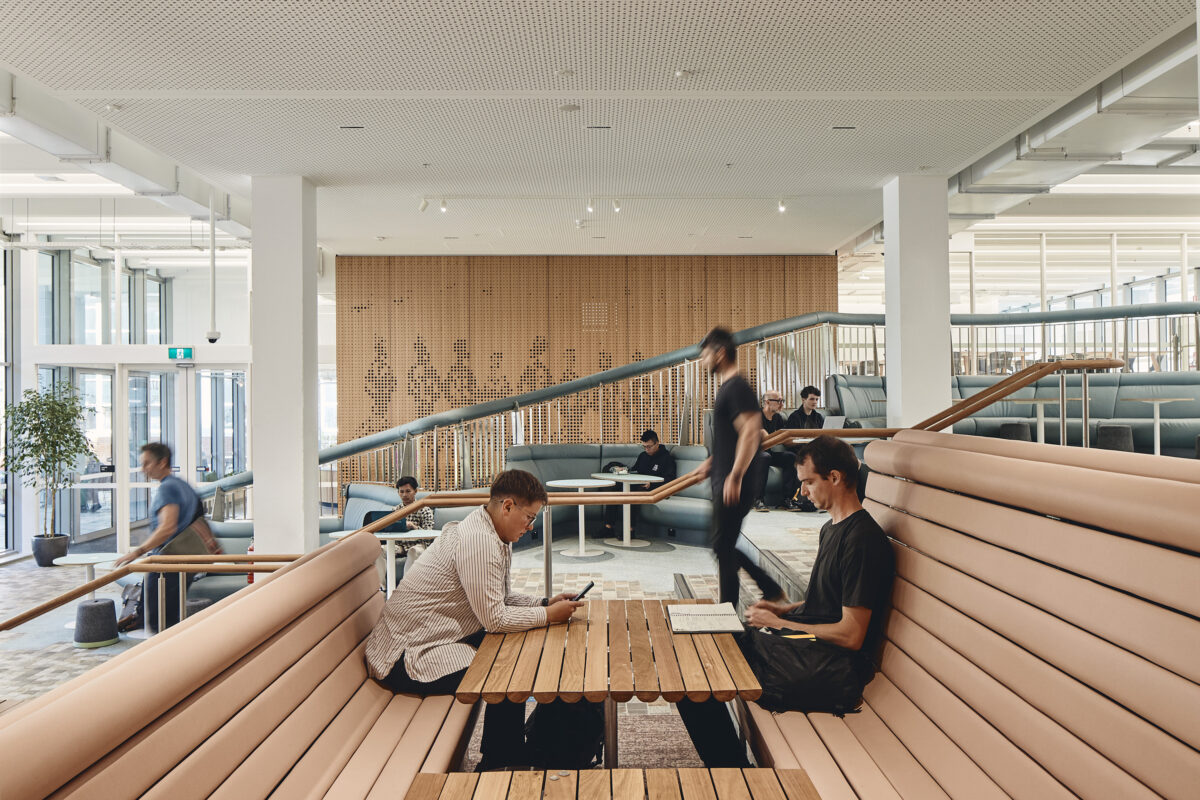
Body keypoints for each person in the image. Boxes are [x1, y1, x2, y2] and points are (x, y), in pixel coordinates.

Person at [676, 436, 895, 767]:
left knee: (699, 678)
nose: (803, 492)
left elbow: (851, 635)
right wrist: (784, 610)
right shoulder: (831, 528)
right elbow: (827, 606)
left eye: (808, 482)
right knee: (707, 654)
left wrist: (780, 625)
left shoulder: (862, 541)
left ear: (834, 477)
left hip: (832, 668)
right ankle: (735, 770)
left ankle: (737, 776)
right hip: (808, 645)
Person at [363, 469, 585, 770]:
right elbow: (495, 619)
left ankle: (508, 753)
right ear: (507, 507)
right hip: (407, 656)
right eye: (530, 517)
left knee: (514, 652)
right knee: (505, 670)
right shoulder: (479, 541)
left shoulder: (492, 534)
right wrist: (547, 615)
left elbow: (500, 599)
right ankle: (500, 762)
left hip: (437, 636)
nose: (531, 527)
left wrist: (545, 602)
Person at [693, 327, 784, 607]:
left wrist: (735, 474)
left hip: (733, 483)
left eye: (706, 355)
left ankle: (765, 591)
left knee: (722, 545)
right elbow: (733, 437)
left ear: (720, 354)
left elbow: (751, 431)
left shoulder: (737, 387)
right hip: (725, 477)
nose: (703, 361)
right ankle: (734, 606)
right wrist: (713, 462)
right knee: (723, 546)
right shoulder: (729, 388)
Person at [115, 443, 220, 631]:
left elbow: (167, 527)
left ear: (162, 462)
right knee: (168, 618)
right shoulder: (181, 484)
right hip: (185, 562)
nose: (143, 469)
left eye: (147, 463)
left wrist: (137, 552)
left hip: (169, 563)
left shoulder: (168, 488)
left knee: (161, 623)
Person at [601, 429, 676, 538]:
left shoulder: (667, 459)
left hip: (655, 489)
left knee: (633, 494)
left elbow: (670, 479)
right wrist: (625, 471)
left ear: (657, 443)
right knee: (616, 490)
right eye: (644, 447)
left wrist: (651, 484)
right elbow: (636, 471)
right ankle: (608, 528)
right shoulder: (643, 456)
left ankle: (630, 530)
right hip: (639, 484)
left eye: (649, 446)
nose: (646, 449)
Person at [751, 390, 800, 512]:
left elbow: (783, 439)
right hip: (753, 454)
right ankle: (757, 500)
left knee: (791, 457)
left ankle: (786, 499)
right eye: (779, 401)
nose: (782, 404)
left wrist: (798, 439)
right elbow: (766, 442)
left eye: (782, 401)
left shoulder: (777, 418)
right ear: (767, 402)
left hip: (768, 452)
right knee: (765, 456)